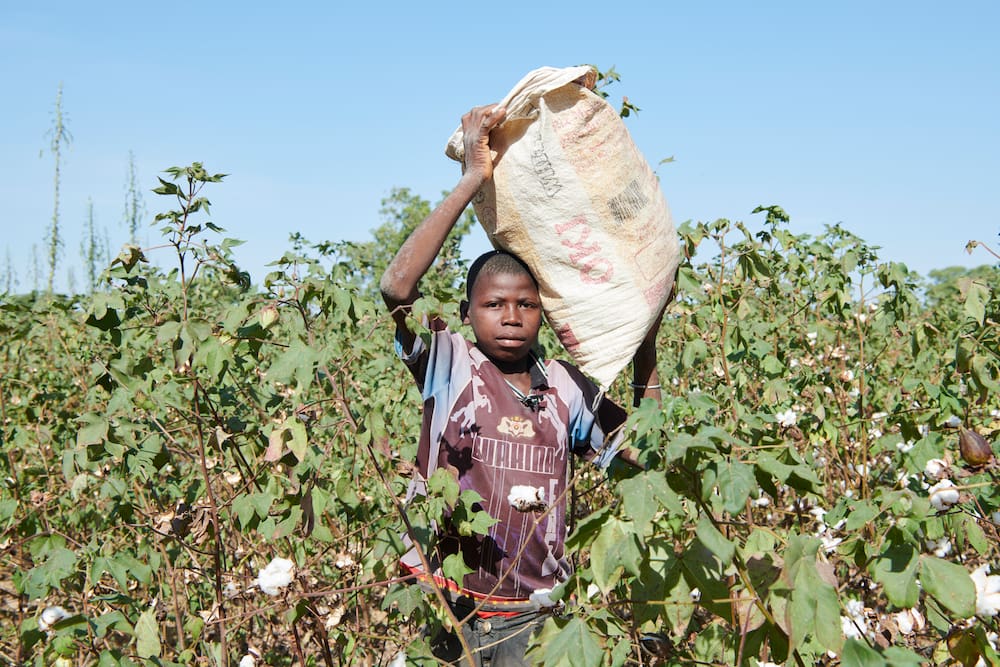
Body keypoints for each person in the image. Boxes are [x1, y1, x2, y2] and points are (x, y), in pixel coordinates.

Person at [380, 104, 664, 666]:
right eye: (494, 304)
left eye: (526, 305)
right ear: (466, 312)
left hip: (534, 620)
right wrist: (472, 178)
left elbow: (643, 457)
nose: (510, 316)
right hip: (447, 607)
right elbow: (396, 286)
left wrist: (646, 343)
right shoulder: (449, 362)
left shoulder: (567, 389)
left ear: (545, 314)